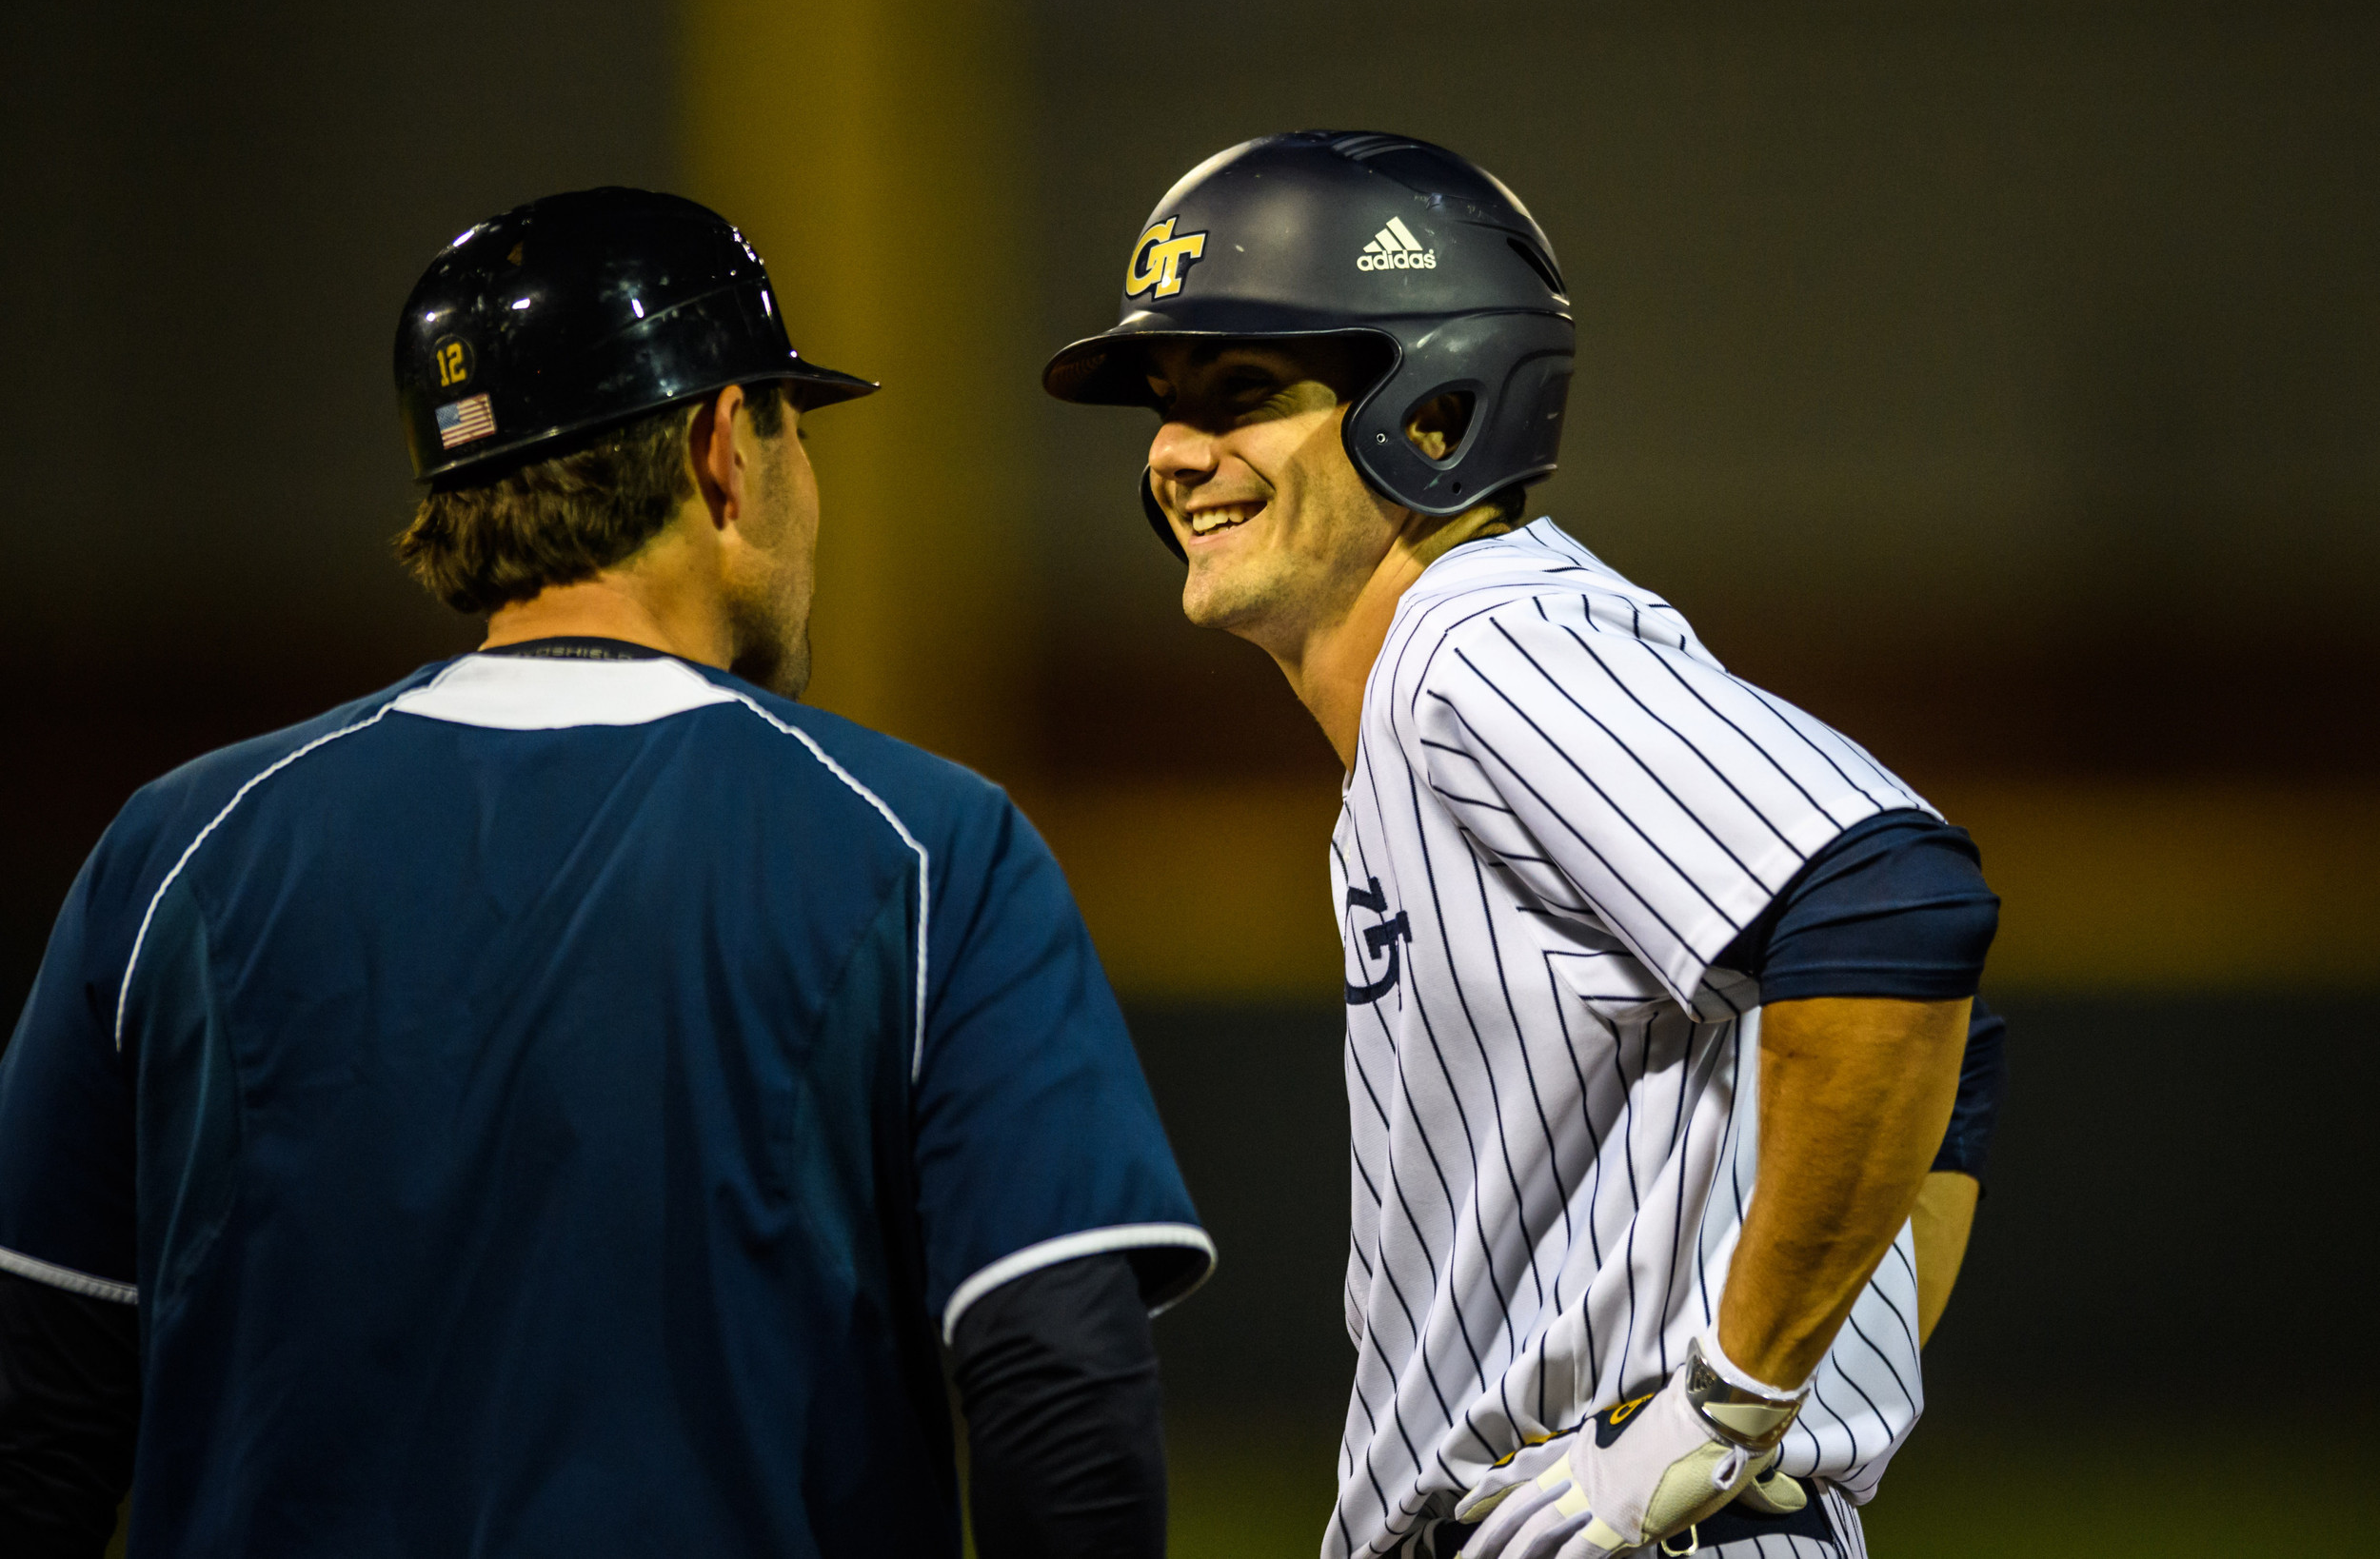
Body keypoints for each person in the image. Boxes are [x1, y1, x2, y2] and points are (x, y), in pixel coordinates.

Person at [0, 187, 1211, 1559]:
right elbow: (1061, 1384)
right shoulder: (925, 847)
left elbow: (35, 1420)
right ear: (720, 451)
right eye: (792, 424)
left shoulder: (174, 853)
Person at [1044, 132, 2007, 1559]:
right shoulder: (1452, 681)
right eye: (1164, 403)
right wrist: (1803, 1370)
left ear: (1434, 412)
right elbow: (1945, 1036)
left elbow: (1896, 906)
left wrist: (1734, 1408)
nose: (1176, 452)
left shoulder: (1476, 646)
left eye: (1241, 394)